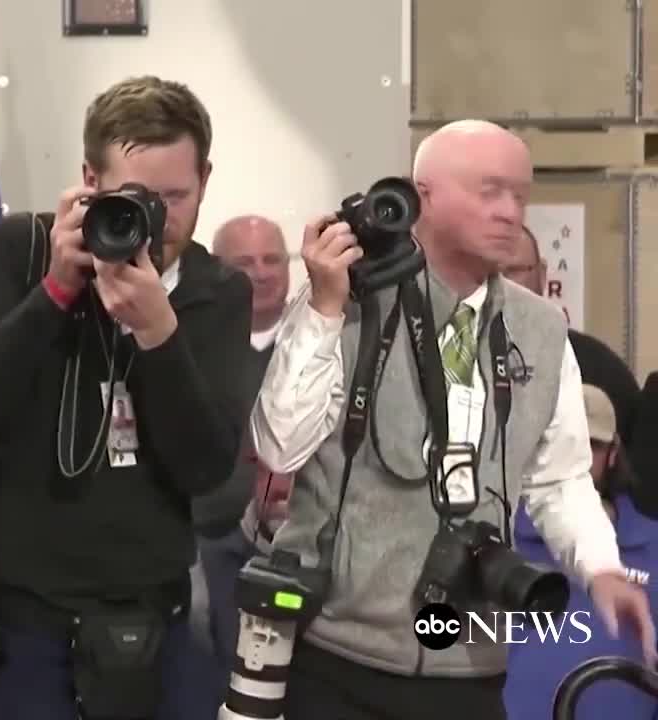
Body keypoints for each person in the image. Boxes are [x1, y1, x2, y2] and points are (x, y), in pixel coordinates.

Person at [251, 118, 655, 720]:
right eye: (489, 191)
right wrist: (324, 307)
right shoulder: (348, 301)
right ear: (422, 195)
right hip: (339, 656)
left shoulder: (541, 331)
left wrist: (599, 567)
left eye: (521, 194)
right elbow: (279, 447)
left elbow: (560, 478)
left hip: (471, 664)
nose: (510, 211)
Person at [0, 75, 252, 719]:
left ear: (206, 180)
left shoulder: (217, 291)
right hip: (26, 622)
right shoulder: (22, 249)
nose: (156, 218)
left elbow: (207, 469)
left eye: (176, 197)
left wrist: (159, 331)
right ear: (89, 181)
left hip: (157, 617)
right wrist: (54, 292)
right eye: (136, 198)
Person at [504, 384, 658, 720]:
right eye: (561, 446)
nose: (579, 459)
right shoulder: (503, 535)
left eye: (593, 446)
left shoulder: (654, 546)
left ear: (614, 451)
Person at [189, 214, 292, 666]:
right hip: (200, 540)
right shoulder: (185, 340)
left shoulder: (323, 342)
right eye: (245, 261)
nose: (262, 271)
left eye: (273, 259)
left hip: (289, 541)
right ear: (217, 267)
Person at [501, 224, 640, 448]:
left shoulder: (602, 373)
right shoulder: (450, 363)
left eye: (512, 270)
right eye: (486, 272)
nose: (499, 283)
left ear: (542, 273)